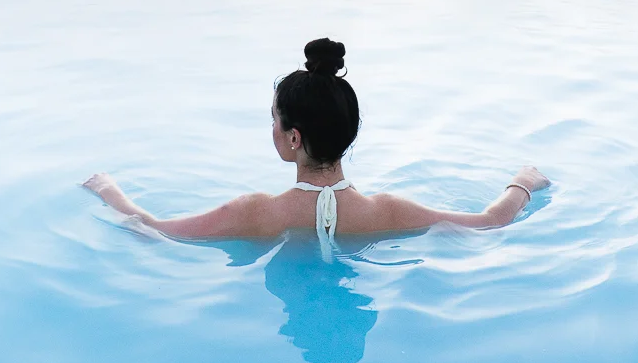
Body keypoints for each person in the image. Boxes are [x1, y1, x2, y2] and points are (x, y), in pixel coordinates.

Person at [84, 39, 550, 252]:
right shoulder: (386, 212)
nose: (270, 128)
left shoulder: (255, 213)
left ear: (293, 138)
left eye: (273, 119)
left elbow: (152, 228)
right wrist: (523, 182)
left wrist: (107, 188)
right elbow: (491, 223)